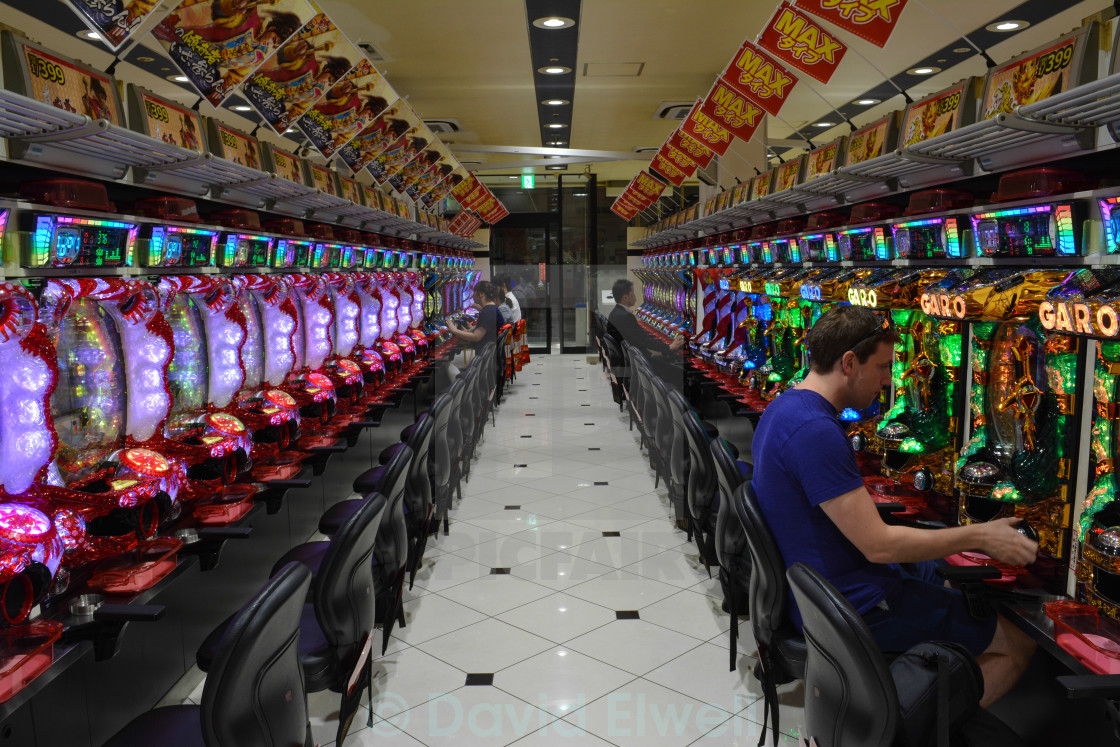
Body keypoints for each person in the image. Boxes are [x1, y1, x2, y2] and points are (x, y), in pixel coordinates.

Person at [751, 304, 1036, 707]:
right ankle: (913, 730)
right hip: (857, 606)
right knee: (1019, 642)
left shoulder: (786, 408)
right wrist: (980, 535)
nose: (889, 380)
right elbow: (878, 545)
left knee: (944, 572)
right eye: (883, 366)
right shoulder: (815, 431)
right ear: (849, 362)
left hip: (820, 596)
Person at [607, 278, 684, 357]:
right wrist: (669, 347)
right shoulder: (626, 317)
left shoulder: (615, 313)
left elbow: (639, 338)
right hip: (633, 361)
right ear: (625, 298)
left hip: (626, 357)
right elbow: (643, 340)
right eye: (632, 293)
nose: (634, 296)